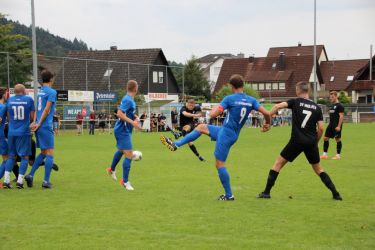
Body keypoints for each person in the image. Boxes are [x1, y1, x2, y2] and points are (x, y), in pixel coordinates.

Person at [161, 74, 271, 200]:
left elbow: (214, 114)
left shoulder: (229, 99)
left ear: (231, 86)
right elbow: (267, 113)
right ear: (242, 86)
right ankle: (176, 144)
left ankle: (229, 195)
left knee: (219, 164)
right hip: (230, 132)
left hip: (226, 134)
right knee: (201, 127)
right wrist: (267, 123)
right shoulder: (251, 100)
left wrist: (208, 113)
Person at [257, 81, 342, 200]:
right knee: (318, 168)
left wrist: (267, 120)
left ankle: (266, 192)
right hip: (311, 142)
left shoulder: (295, 102)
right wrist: (315, 142)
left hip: (296, 141)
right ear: (308, 91)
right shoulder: (317, 108)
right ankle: (335, 193)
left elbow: (277, 106)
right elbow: (321, 128)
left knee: (278, 163)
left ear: (298, 90)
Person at [106, 80, 142, 190]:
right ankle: (125, 182)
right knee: (129, 155)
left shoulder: (128, 99)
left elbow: (127, 112)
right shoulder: (128, 100)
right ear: (135, 89)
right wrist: (133, 123)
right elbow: (120, 113)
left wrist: (135, 117)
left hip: (123, 130)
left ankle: (111, 169)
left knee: (121, 151)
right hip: (123, 130)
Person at [24, 70, 57, 189]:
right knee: (50, 154)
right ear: (51, 79)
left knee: (43, 152)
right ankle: (46, 181)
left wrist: (35, 122)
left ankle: (31, 175)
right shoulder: (52, 92)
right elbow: (46, 110)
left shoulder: (40, 92)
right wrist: (39, 123)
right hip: (45, 126)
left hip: (38, 125)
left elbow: (38, 109)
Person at [2, 84, 35, 189]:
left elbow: (8, 116)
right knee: (25, 156)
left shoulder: (10, 101)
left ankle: (6, 181)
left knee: (11, 156)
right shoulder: (29, 99)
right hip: (24, 132)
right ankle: (20, 182)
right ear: (23, 91)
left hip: (12, 132)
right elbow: (32, 116)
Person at [320, 91, 345, 160]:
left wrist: (339, 126)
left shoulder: (340, 106)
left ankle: (338, 155)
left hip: (336, 126)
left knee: (338, 139)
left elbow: (341, 116)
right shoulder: (332, 106)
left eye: (332, 97)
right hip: (330, 125)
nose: (331, 98)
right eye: (330, 97)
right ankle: (325, 155)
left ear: (336, 96)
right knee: (325, 138)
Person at [0, 88, 9, 188]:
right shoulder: (2, 107)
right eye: (6, 94)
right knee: (8, 159)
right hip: (0, 135)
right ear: (3, 95)